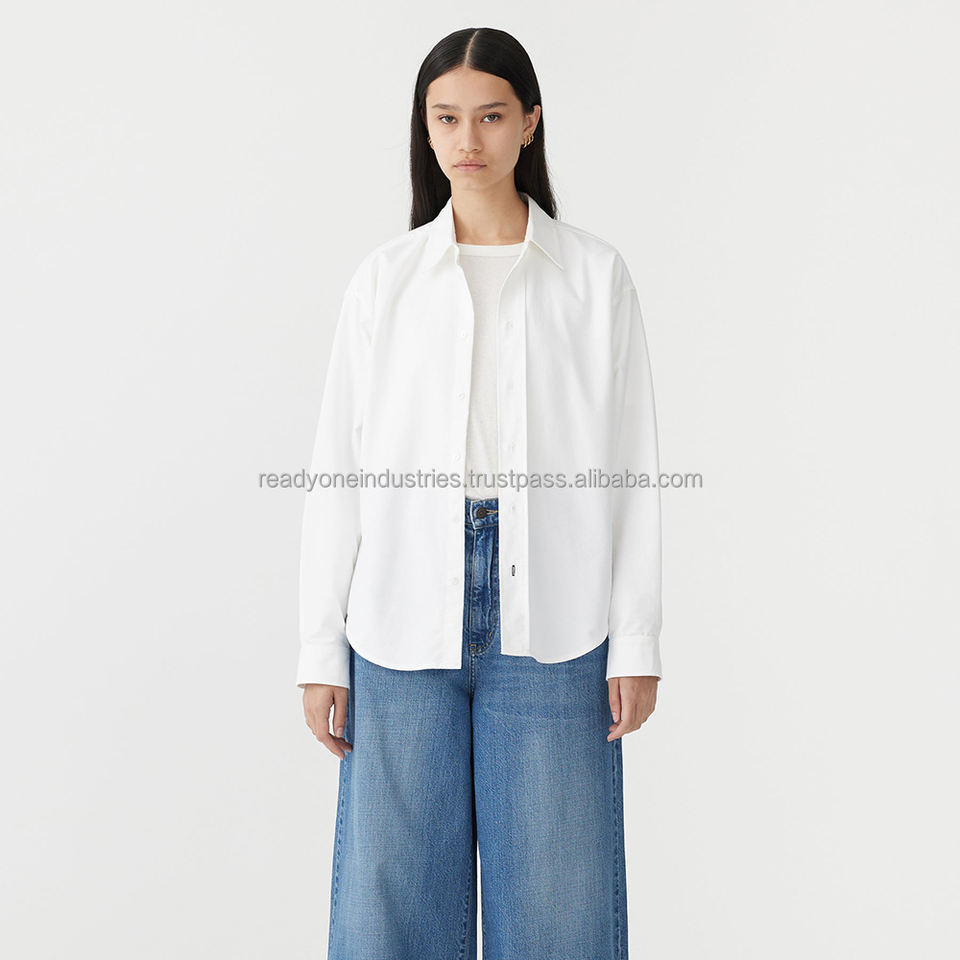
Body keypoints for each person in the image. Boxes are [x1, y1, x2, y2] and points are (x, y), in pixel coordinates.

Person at [297, 26, 663, 960]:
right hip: (399, 611)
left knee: (558, 912)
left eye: (492, 117)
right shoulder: (386, 281)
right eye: (447, 118)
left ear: (530, 123)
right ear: (424, 129)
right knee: (393, 912)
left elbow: (631, 465)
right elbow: (339, 469)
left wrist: (637, 637)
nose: (469, 139)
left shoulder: (593, 276)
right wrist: (319, 649)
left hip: (557, 614)